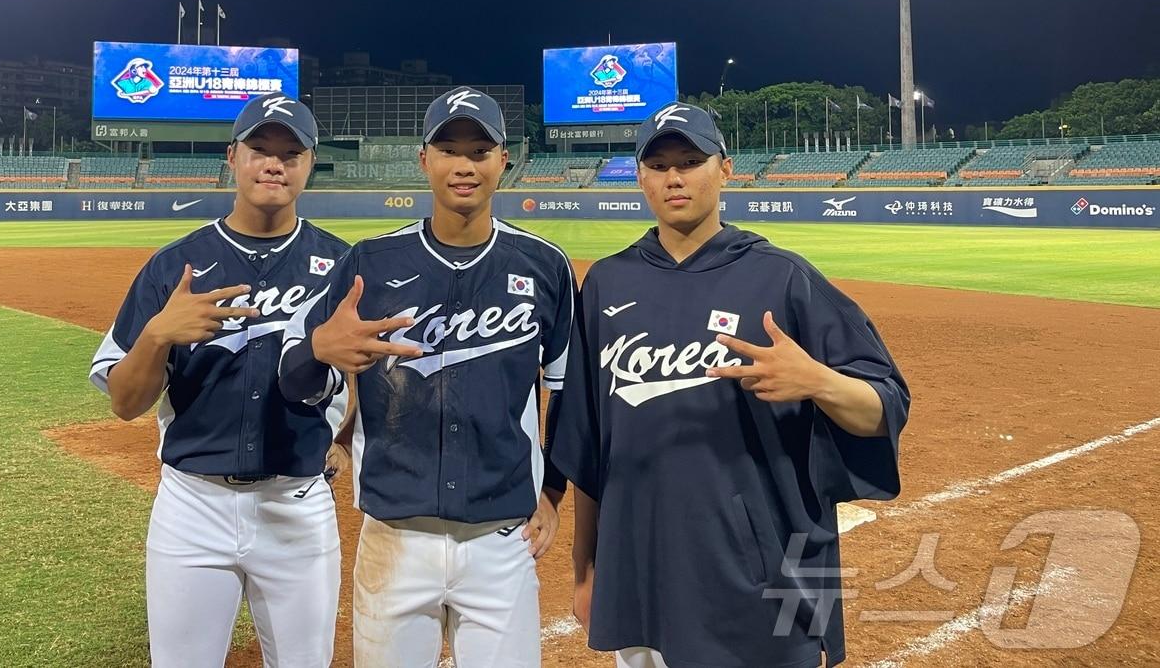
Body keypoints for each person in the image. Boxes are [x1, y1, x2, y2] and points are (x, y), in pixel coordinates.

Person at [552, 102, 909, 668]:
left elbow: (884, 406)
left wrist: (817, 381)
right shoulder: (607, 284)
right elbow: (591, 448)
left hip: (762, 582)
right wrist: (587, 570)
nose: (675, 177)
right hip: (642, 576)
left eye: (691, 160)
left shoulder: (781, 276)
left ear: (725, 168)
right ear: (639, 176)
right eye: (660, 163)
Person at [279, 86, 575, 668]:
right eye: (448, 149)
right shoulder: (369, 263)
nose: (464, 165)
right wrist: (318, 347)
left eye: (480, 150)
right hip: (394, 537)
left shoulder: (543, 265)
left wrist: (554, 491)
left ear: (504, 160)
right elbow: (293, 376)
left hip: (501, 540)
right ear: (424, 160)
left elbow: (565, 391)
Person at [89, 93, 349, 668]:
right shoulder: (174, 265)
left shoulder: (343, 266)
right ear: (233, 157)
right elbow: (126, 404)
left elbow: (368, 381)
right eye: (260, 148)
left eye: (291, 152)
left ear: (310, 164)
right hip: (192, 505)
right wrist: (157, 335)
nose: (274, 163)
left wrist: (344, 438)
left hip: (297, 504)